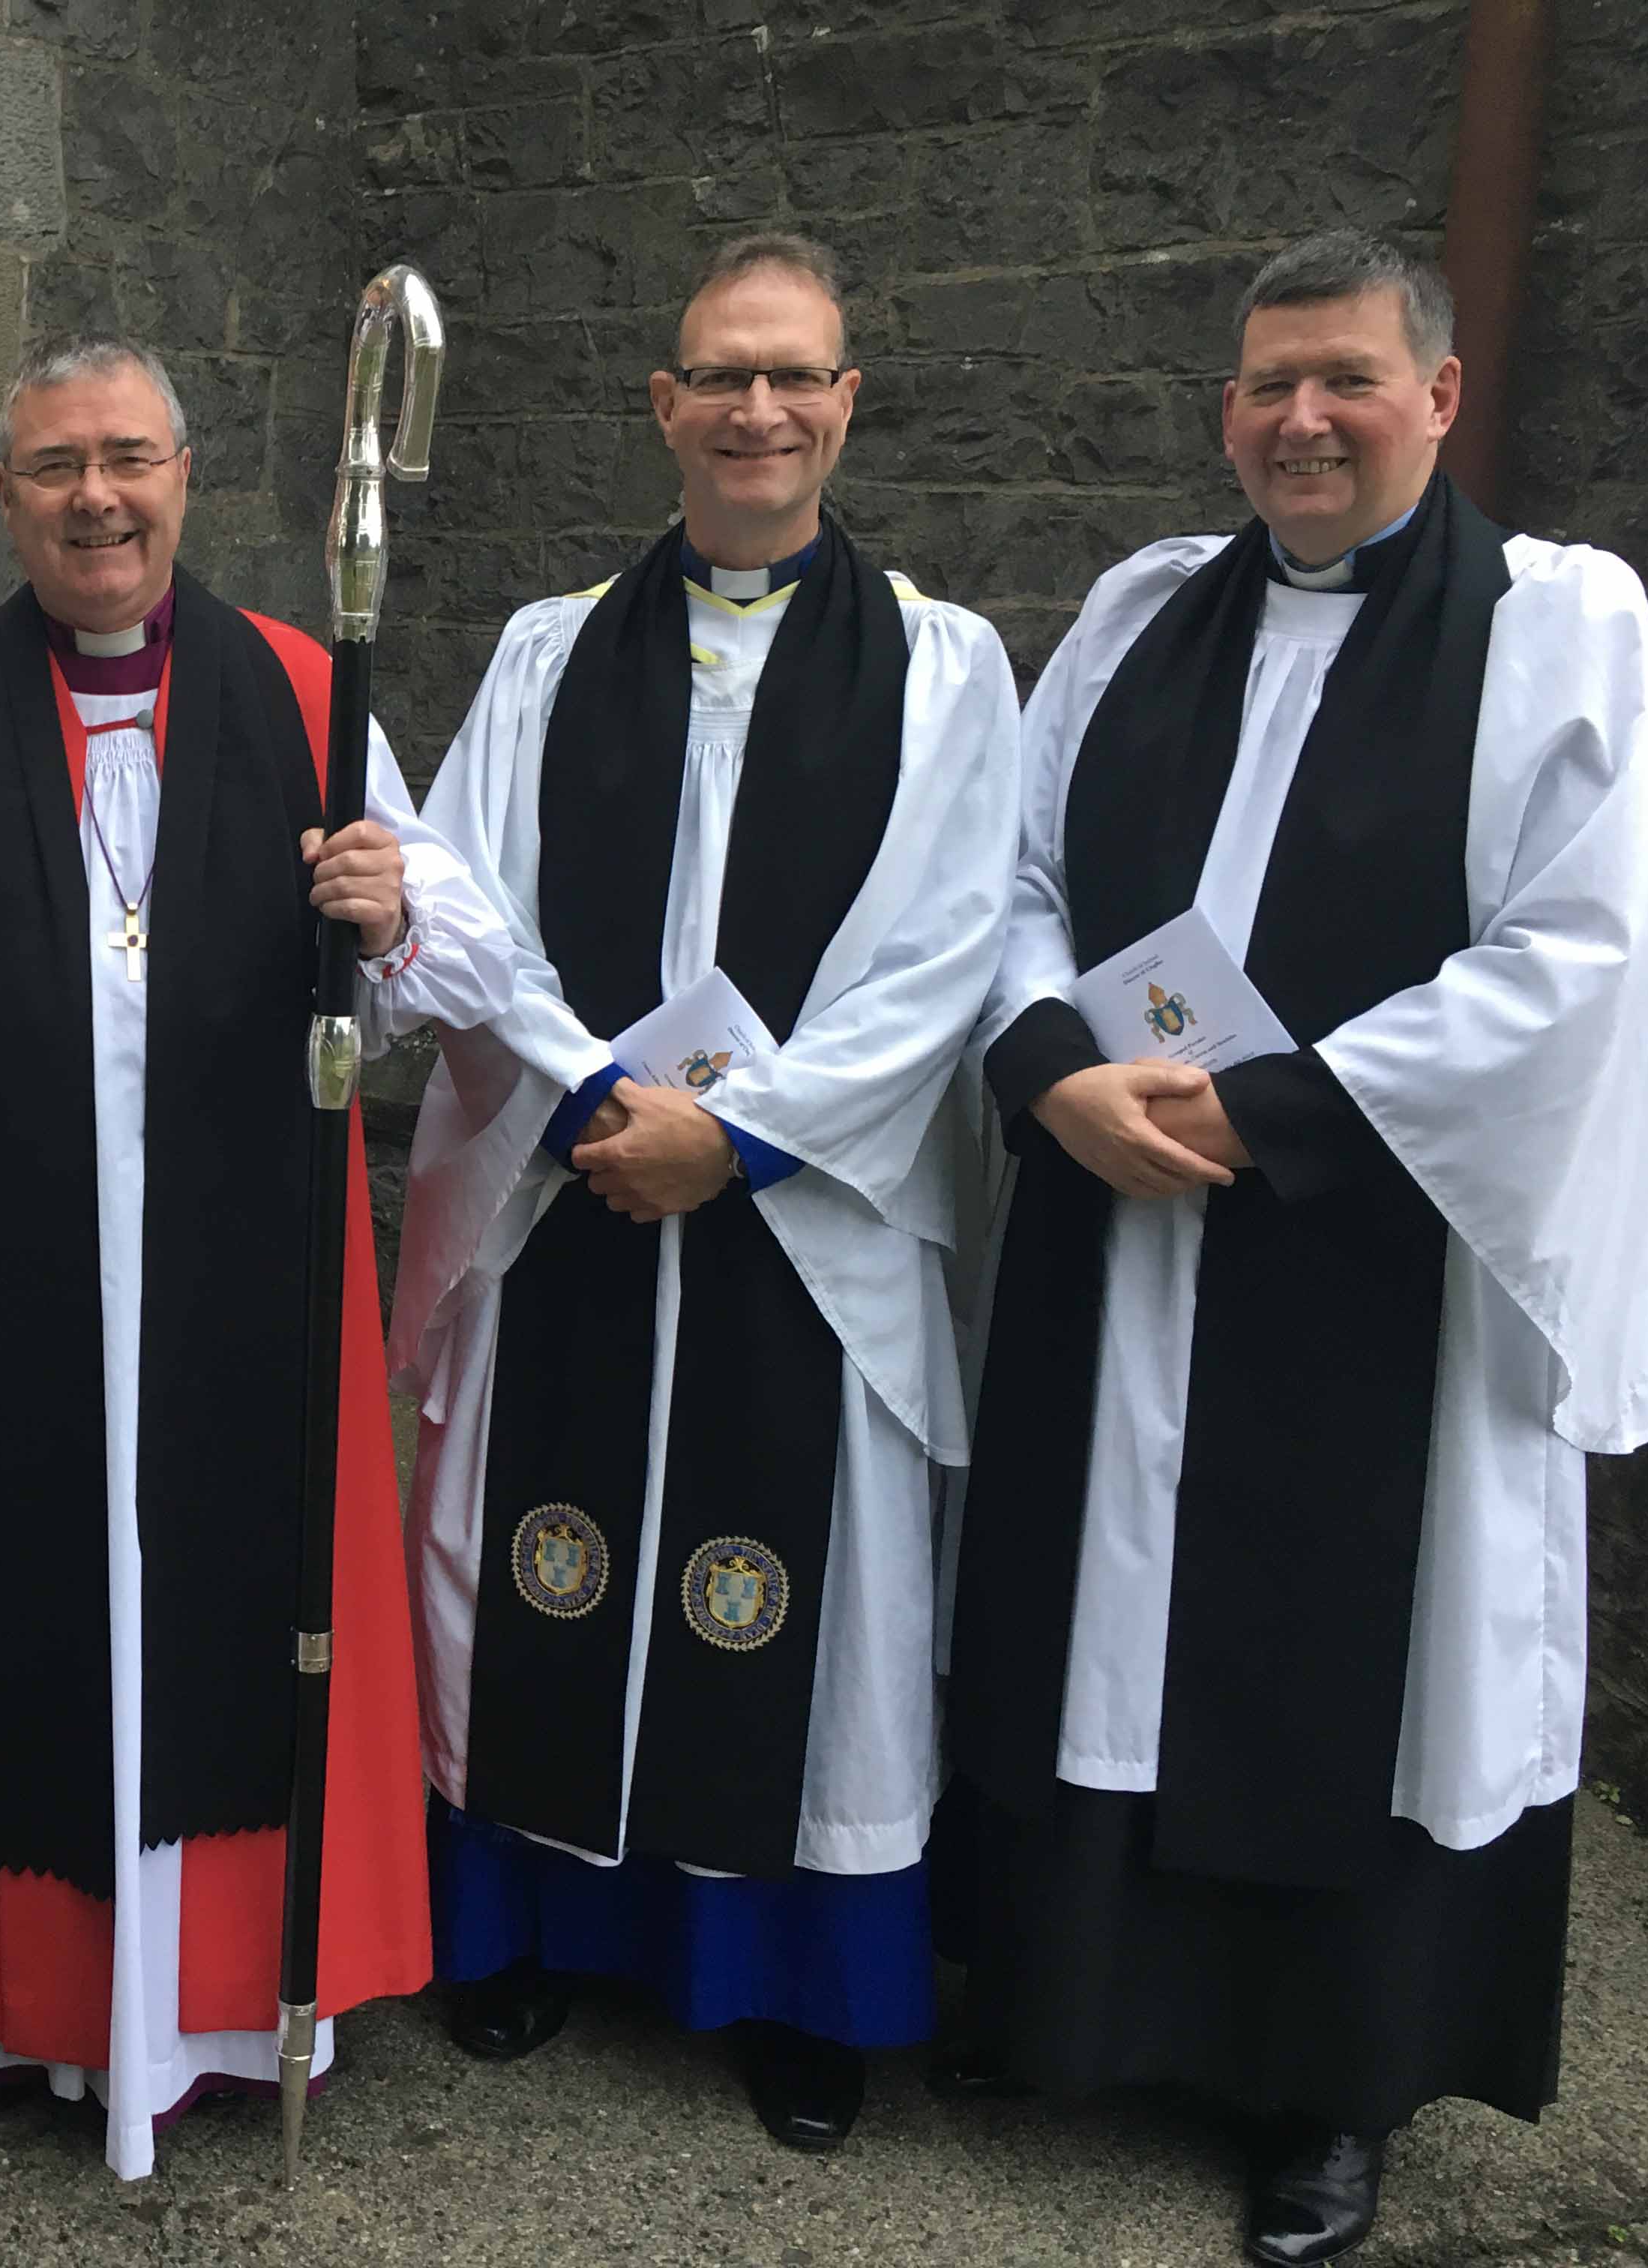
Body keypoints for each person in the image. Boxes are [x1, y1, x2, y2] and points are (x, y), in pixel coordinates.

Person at [943, 227, 1648, 2267]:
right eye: (1268, 384)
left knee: (1352, 1653)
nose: (1301, 419)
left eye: (1346, 379)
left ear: (1439, 399)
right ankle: (1081, 2012)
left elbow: (1579, 958)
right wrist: (1046, 1068)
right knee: (1104, 1614)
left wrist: (1267, 1113)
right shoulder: (1138, 614)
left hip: (1373, 1250)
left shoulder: (1554, 631)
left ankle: (1321, 2089)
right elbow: (1012, 880)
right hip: (1123, 1214)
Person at [0, 334, 528, 2180]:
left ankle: (213, 1997)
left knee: (227, 1595)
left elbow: (462, 949)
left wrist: (397, 906)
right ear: (6, 497)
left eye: (127, 458)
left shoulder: (302, 682)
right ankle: (18, 1999)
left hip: (241, 1256)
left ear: (189, 475)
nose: (96, 498)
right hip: (12, 1254)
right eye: (55, 467)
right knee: (28, 1600)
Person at [385, 232, 1020, 2150]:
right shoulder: (544, 650)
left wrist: (738, 1135)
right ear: (662, 404)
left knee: (803, 1613)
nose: (758, 409)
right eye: (721, 375)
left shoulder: (940, 665)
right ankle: (534, 1928)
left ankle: (802, 1991)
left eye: (795, 376)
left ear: (847, 404)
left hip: (798, 1226)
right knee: (538, 1561)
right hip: (576, 1180)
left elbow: (948, 950)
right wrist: (600, 1094)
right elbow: (457, 896)